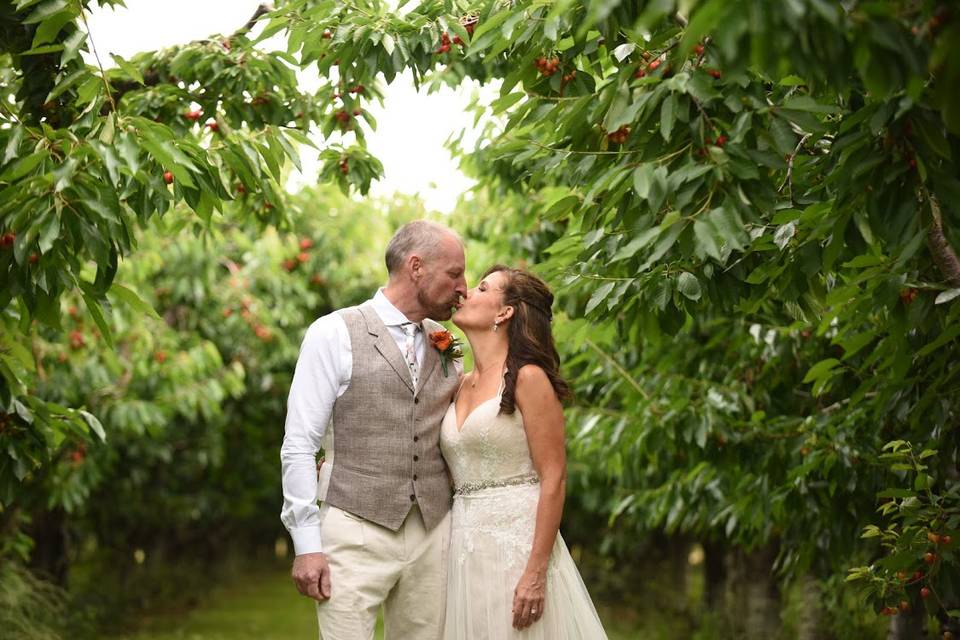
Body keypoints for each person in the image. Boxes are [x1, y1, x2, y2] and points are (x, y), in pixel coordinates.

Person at [280, 220, 467, 639]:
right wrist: (307, 543)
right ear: (416, 267)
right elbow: (298, 445)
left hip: (432, 532)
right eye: (454, 273)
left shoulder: (448, 344)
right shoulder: (332, 332)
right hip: (354, 526)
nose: (464, 287)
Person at [441, 265, 608, 639]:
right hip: (464, 548)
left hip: (516, 546)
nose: (466, 292)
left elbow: (554, 476)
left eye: (482, 288)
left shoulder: (529, 377)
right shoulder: (459, 383)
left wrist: (535, 572)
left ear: (505, 312)